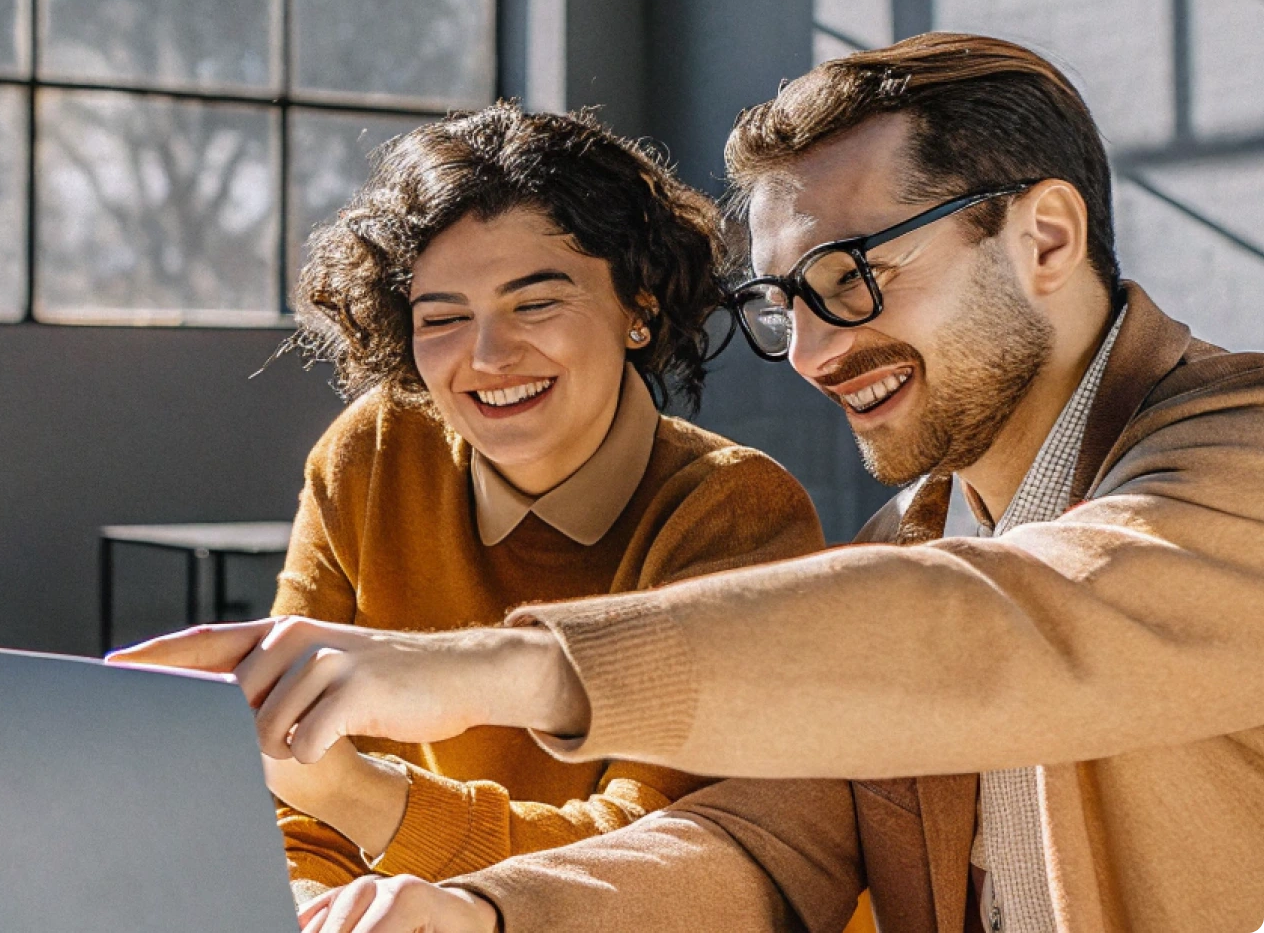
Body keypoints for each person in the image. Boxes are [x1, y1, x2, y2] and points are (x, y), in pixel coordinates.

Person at [115, 33, 1264, 933]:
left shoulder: (1240, 455)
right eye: (787, 301)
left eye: (851, 276)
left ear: (1047, 241)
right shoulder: (899, 549)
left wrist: (488, 669)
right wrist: (478, 914)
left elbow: (1018, 619)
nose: (813, 355)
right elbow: (762, 850)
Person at [113, 103, 827, 911]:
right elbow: (285, 806)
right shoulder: (374, 453)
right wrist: (317, 908)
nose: (488, 357)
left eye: (535, 304)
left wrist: (361, 798)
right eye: (443, 318)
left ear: (641, 308)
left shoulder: (736, 512)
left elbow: (647, 865)